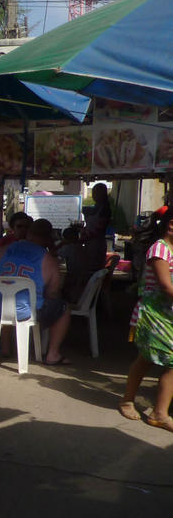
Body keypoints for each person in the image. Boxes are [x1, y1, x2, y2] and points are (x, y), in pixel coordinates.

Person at [118, 206, 173, 432]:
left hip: (168, 313)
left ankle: (158, 411)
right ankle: (129, 401)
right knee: (147, 359)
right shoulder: (159, 249)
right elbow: (165, 285)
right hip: (154, 313)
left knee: (159, 361)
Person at [0, 218, 71, 365]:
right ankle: (53, 354)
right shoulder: (49, 260)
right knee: (63, 308)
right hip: (25, 312)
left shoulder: (2, 250)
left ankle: (5, 348)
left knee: (7, 296)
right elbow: (52, 294)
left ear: (28, 233)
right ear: (48, 238)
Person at [81, 183, 111, 275]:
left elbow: (98, 229)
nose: (94, 195)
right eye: (93, 192)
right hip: (90, 242)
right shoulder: (97, 207)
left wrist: (85, 237)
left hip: (97, 243)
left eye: (96, 193)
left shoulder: (105, 209)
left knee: (94, 270)